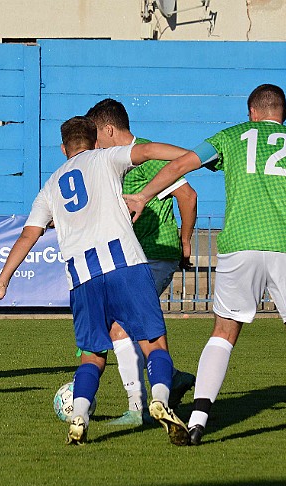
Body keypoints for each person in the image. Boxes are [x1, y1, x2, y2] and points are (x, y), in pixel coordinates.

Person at [124, 84, 286, 449]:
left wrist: (143, 196)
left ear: (252, 112)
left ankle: (196, 423)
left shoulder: (231, 136)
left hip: (239, 244)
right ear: (283, 114)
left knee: (223, 332)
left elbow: (181, 165)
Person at [0, 116, 190, 446]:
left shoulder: (50, 186)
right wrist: (193, 156)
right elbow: (147, 151)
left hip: (82, 278)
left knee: (92, 355)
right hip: (125, 266)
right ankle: (160, 400)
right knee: (154, 344)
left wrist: (3, 280)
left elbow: (28, 234)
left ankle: (80, 414)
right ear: (94, 141)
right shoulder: (106, 157)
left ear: (63, 148)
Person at [86, 98, 197, 426]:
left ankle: (137, 410)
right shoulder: (112, 161)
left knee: (119, 326)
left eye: (96, 135)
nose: (94, 143)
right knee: (129, 326)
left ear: (108, 129)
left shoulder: (147, 156)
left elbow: (188, 196)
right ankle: (172, 378)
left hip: (154, 255)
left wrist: (186, 242)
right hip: (129, 258)